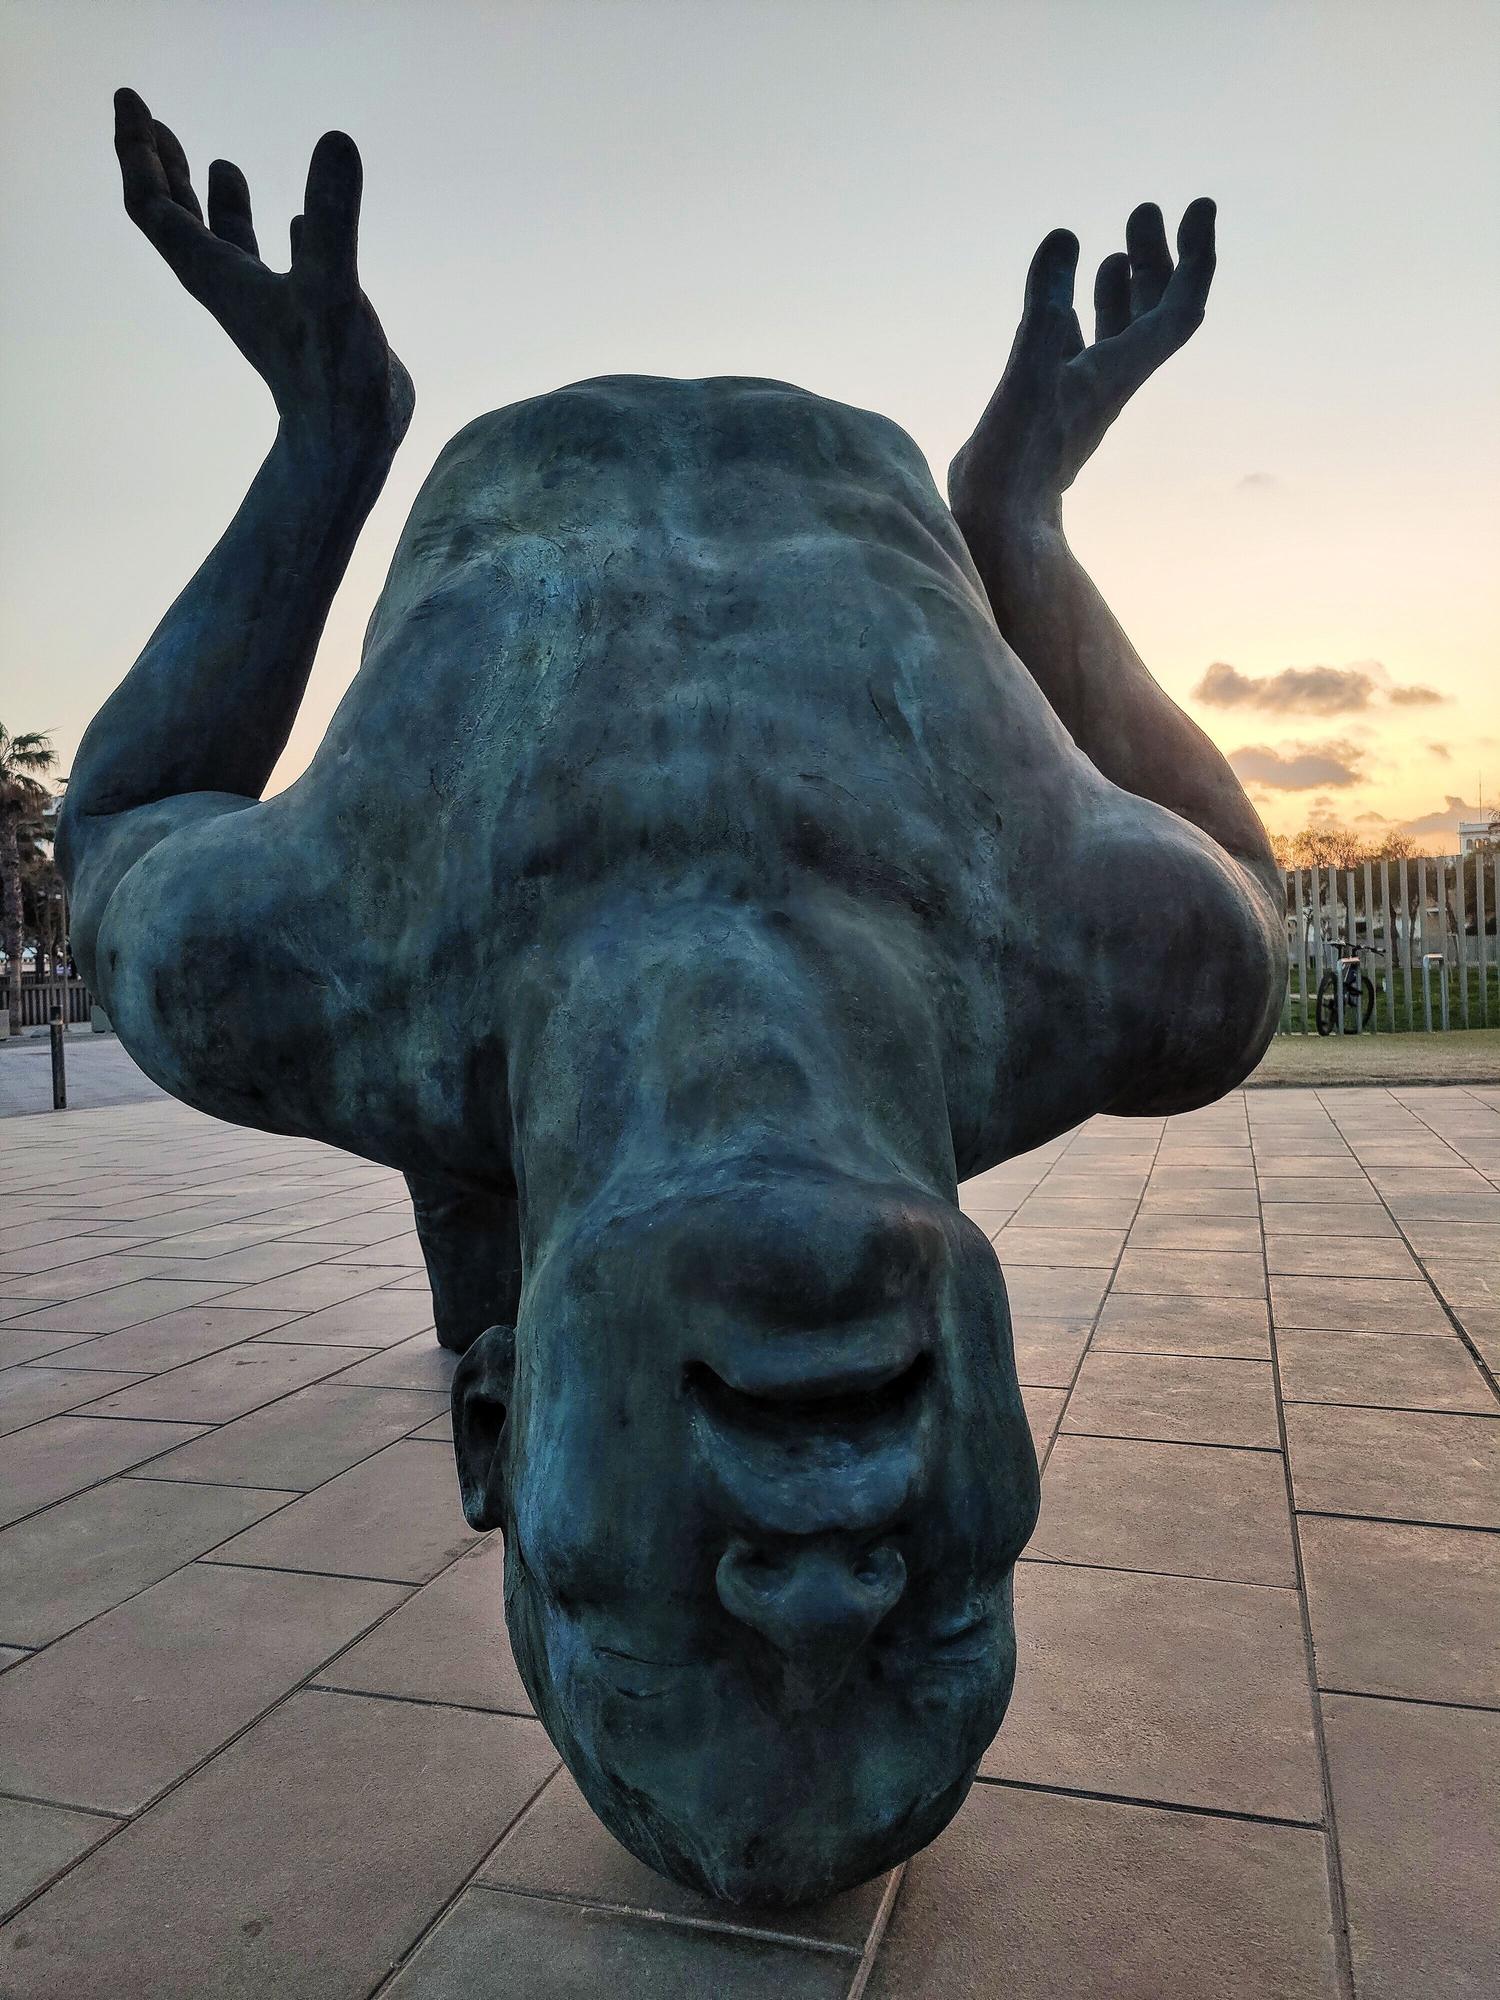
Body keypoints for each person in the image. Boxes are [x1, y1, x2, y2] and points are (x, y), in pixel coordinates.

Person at [58, 90, 1284, 1905]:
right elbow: (1246, 870)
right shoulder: (1119, 963)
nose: (816, 1593)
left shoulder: (309, 963)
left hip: (495, 649)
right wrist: (1015, 515)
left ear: (491, 1450)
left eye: (658, 1650)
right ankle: (521, 1269)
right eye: (934, 1640)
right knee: (512, 1144)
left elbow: (118, 830)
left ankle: (510, 1274)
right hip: (848, 514)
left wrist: (327, 441)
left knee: (479, 1122)